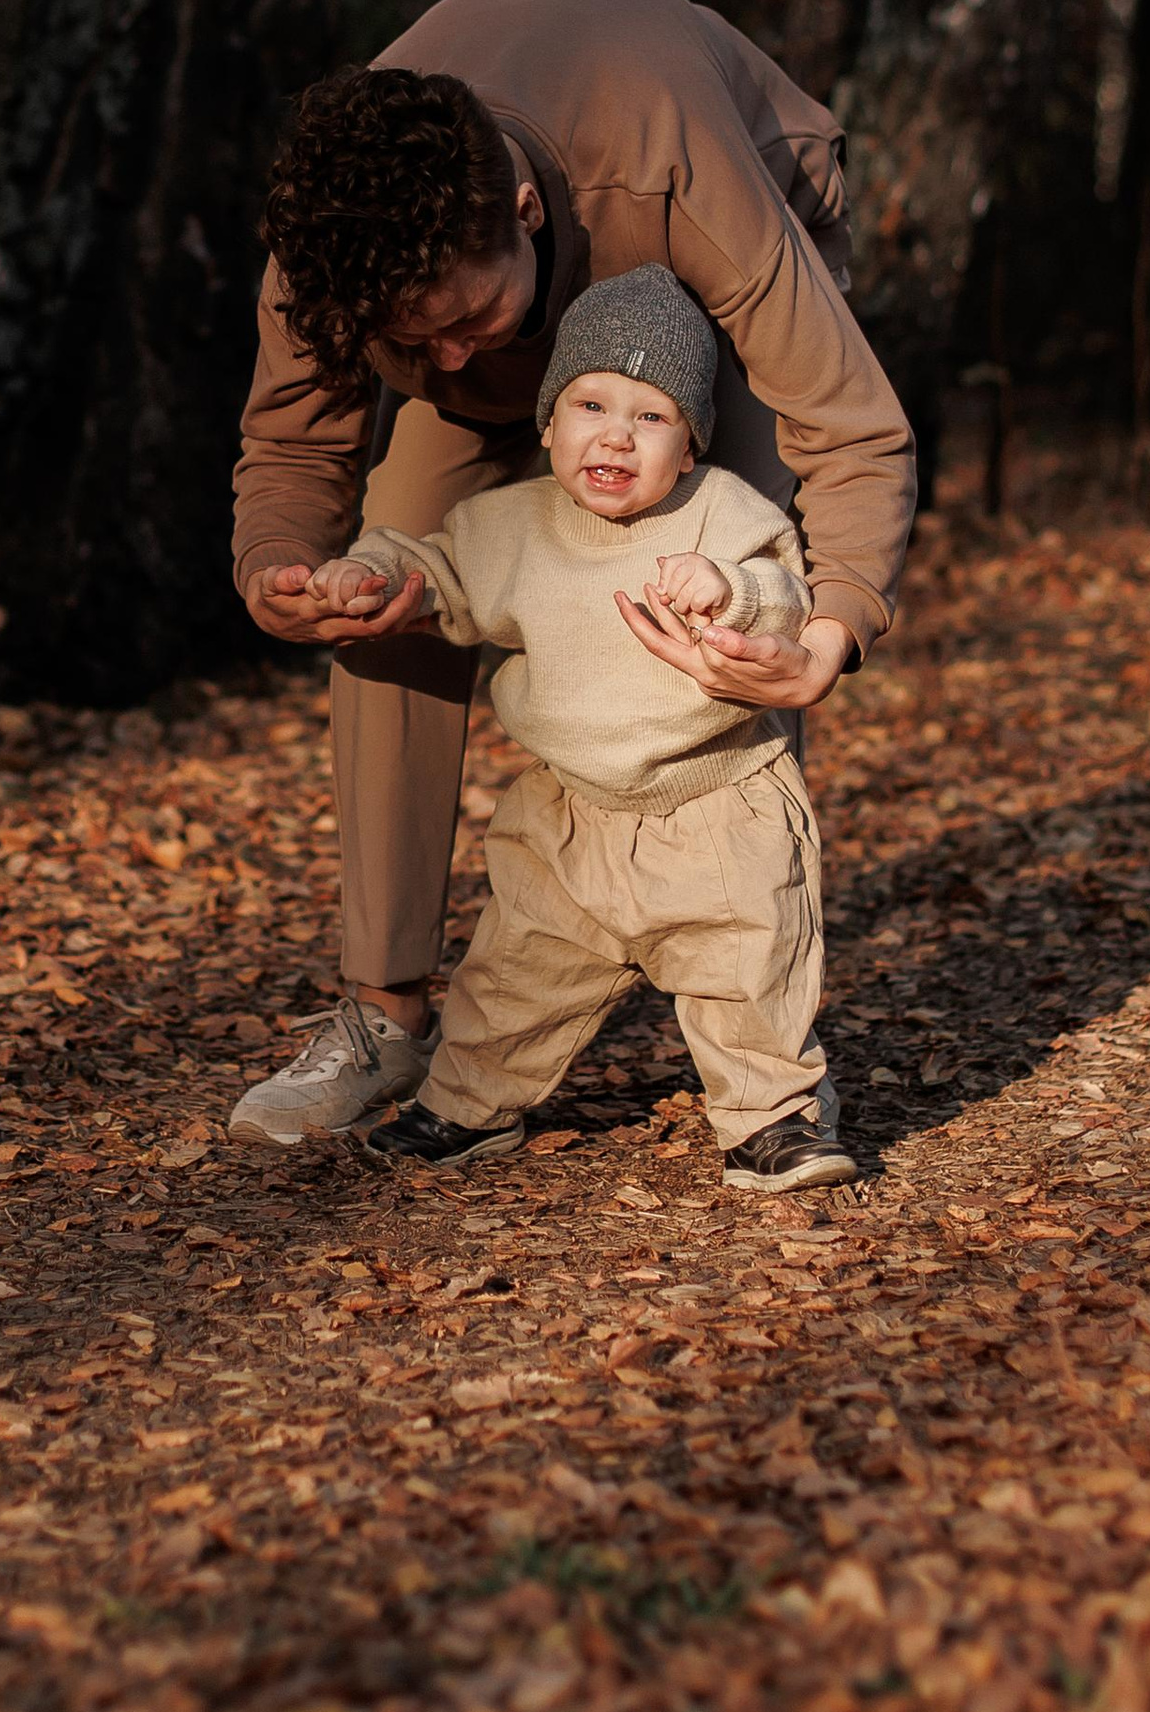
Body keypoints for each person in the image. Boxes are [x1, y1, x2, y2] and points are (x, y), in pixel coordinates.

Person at [226, 0, 915, 1147]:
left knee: (734, 599)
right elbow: (292, 441)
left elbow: (849, 426)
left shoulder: (669, 160)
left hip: (706, 253)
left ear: (526, 209)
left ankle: (758, 1050)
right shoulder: (336, 243)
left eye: (461, 320)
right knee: (390, 582)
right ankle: (383, 1015)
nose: (440, 359)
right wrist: (280, 567)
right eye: (411, 342)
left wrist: (829, 629)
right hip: (533, 293)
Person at [303, 268, 855, 1193]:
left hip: (715, 804)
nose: (615, 433)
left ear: (688, 447)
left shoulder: (725, 512)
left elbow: (788, 595)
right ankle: (464, 1107)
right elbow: (435, 568)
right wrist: (367, 576)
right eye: (591, 404)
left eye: (651, 416)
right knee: (512, 975)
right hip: (567, 814)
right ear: (550, 424)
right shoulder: (509, 525)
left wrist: (735, 590)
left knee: (746, 973)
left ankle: (775, 1120)